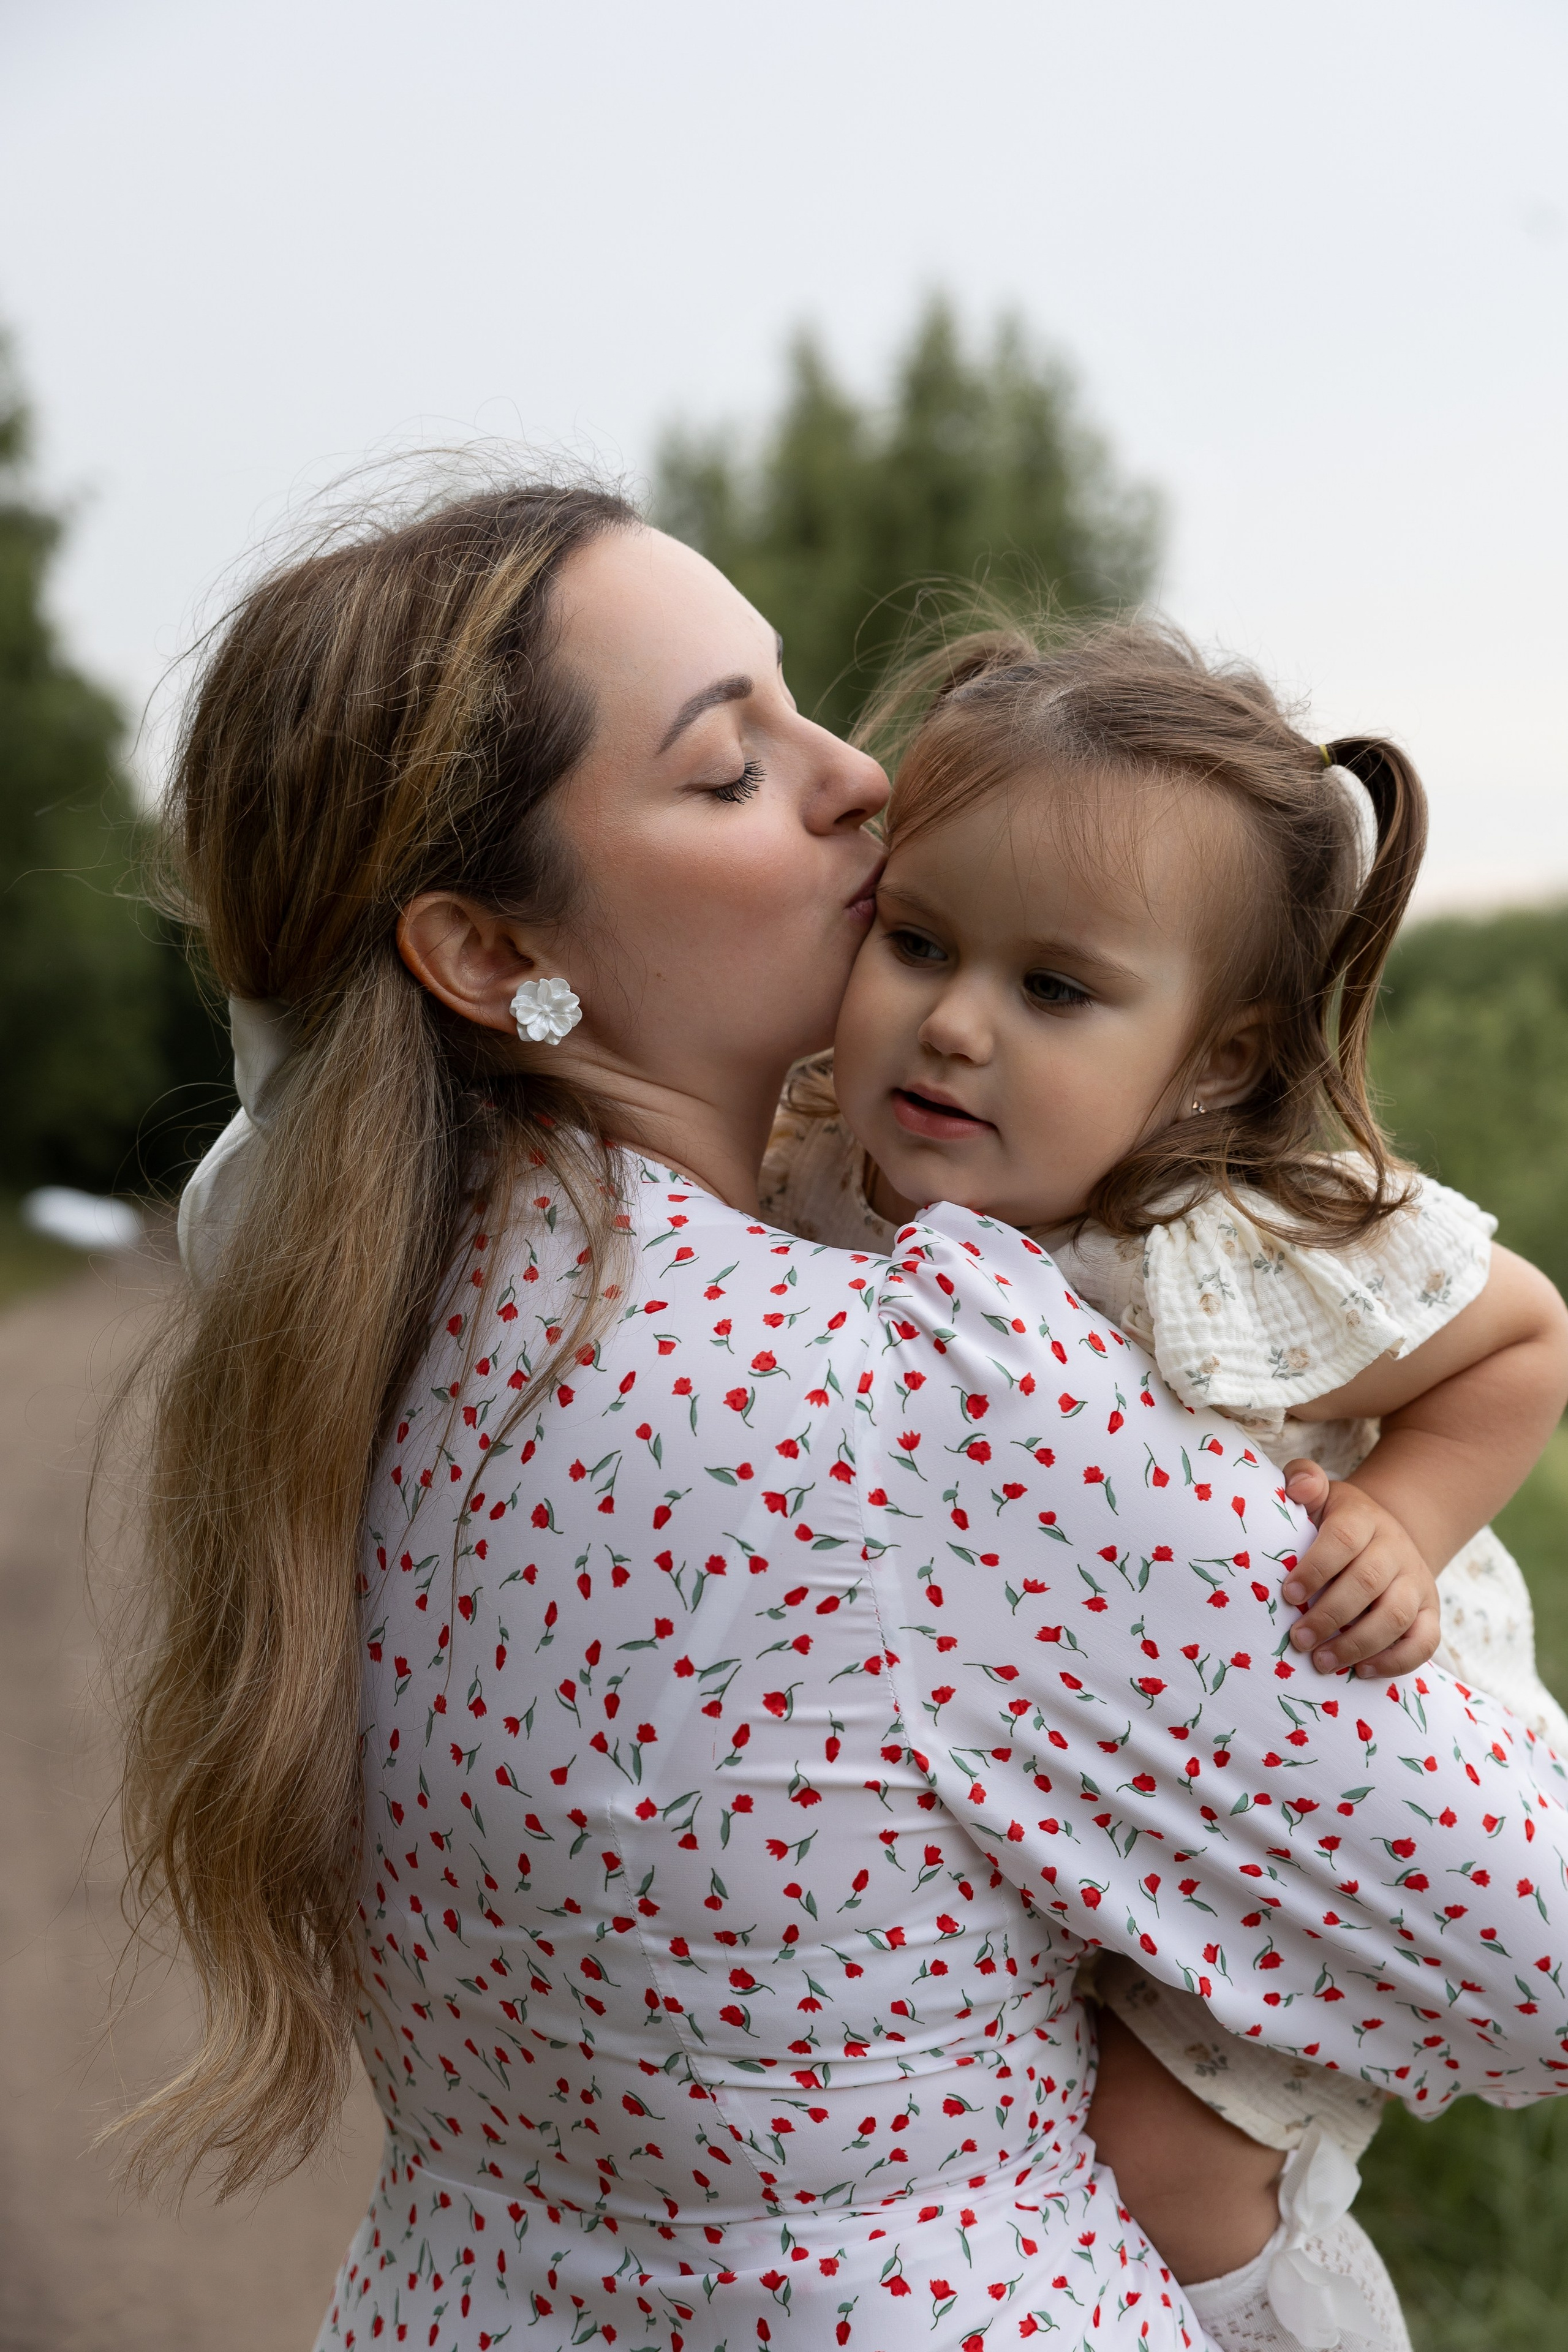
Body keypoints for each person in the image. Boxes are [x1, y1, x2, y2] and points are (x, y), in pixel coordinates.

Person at [123, 486, 1568, 2352]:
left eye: (803, 705)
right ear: (485, 956)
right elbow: (1531, 1946)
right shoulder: (902, 1392)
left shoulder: (336, 1314)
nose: (861, 785)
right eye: (732, 770)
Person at [758, 617, 1568, 2346]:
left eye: (1055, 989)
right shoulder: (823, 1169)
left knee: (1162, 2169)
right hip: (1069, 1771)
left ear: (1209, 1057)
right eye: (915, 940)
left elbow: (1520, 1340)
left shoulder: (1217, 1242)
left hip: (1330, 1735)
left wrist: (1406, 1522)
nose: (954, 1024)